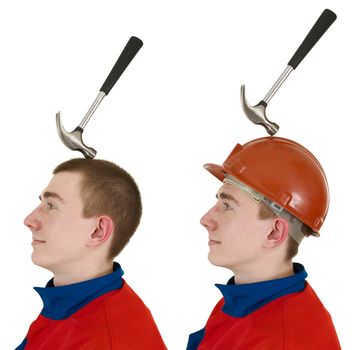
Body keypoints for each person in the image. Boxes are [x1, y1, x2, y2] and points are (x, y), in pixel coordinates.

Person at [187, 136, 341, 349]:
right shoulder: (246, 302)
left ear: (274, 232)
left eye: (228, 206)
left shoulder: (284, 340)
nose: (206, 220)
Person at [16, 158, 167, 350]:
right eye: (42, 203)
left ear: (98, 231)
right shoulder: (71, 305)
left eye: (51, 205)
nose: (29, 220)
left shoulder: (106, 340)